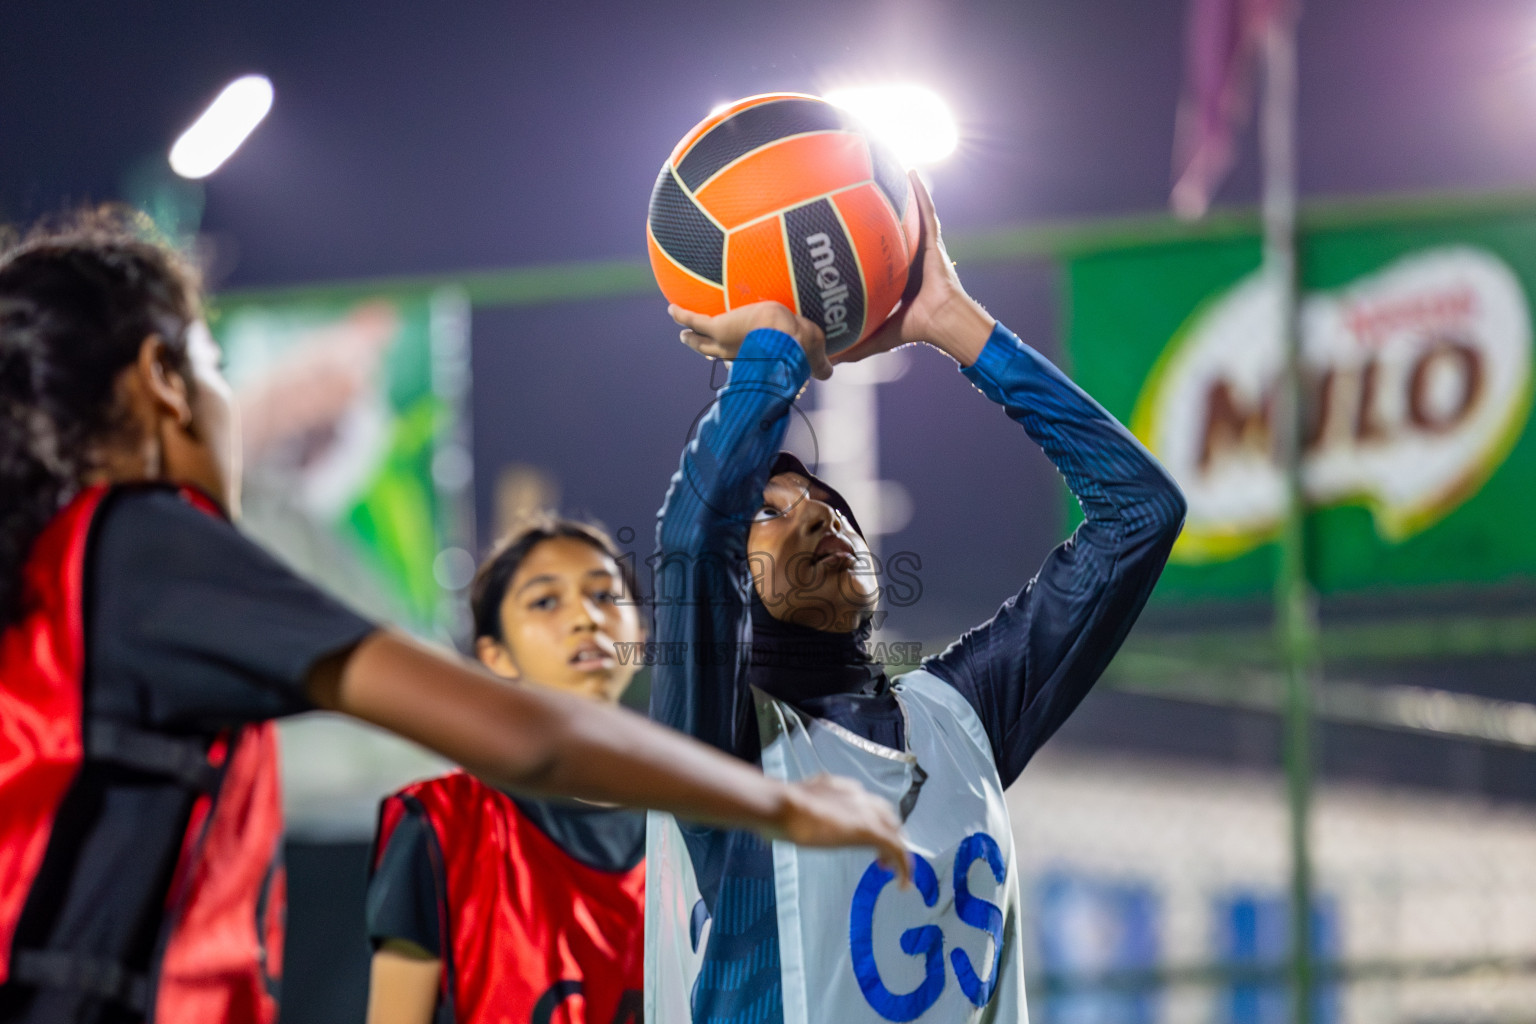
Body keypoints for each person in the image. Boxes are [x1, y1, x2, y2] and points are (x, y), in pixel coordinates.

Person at [0, 210, 908, 1024]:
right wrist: (779, 804)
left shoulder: (58, 582)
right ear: (162, 379)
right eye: (216, 368)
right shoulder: (140, 545)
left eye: (601, 593)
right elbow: (523, 739)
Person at [646, 171, 1187, 1024]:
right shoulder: (720, 745)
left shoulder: (959, 720)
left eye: (825, 503)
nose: (814, 514)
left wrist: (954, 325)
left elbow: (1142, 513)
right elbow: (688, 541)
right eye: (768, 512)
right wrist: (775, 354)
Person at [365, 518, 649, 1024]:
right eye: (545, 601)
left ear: (641, 636)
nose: (586, 617)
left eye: (605, 595)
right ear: (494, 655)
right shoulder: (442, 823)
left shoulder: (696, 824)